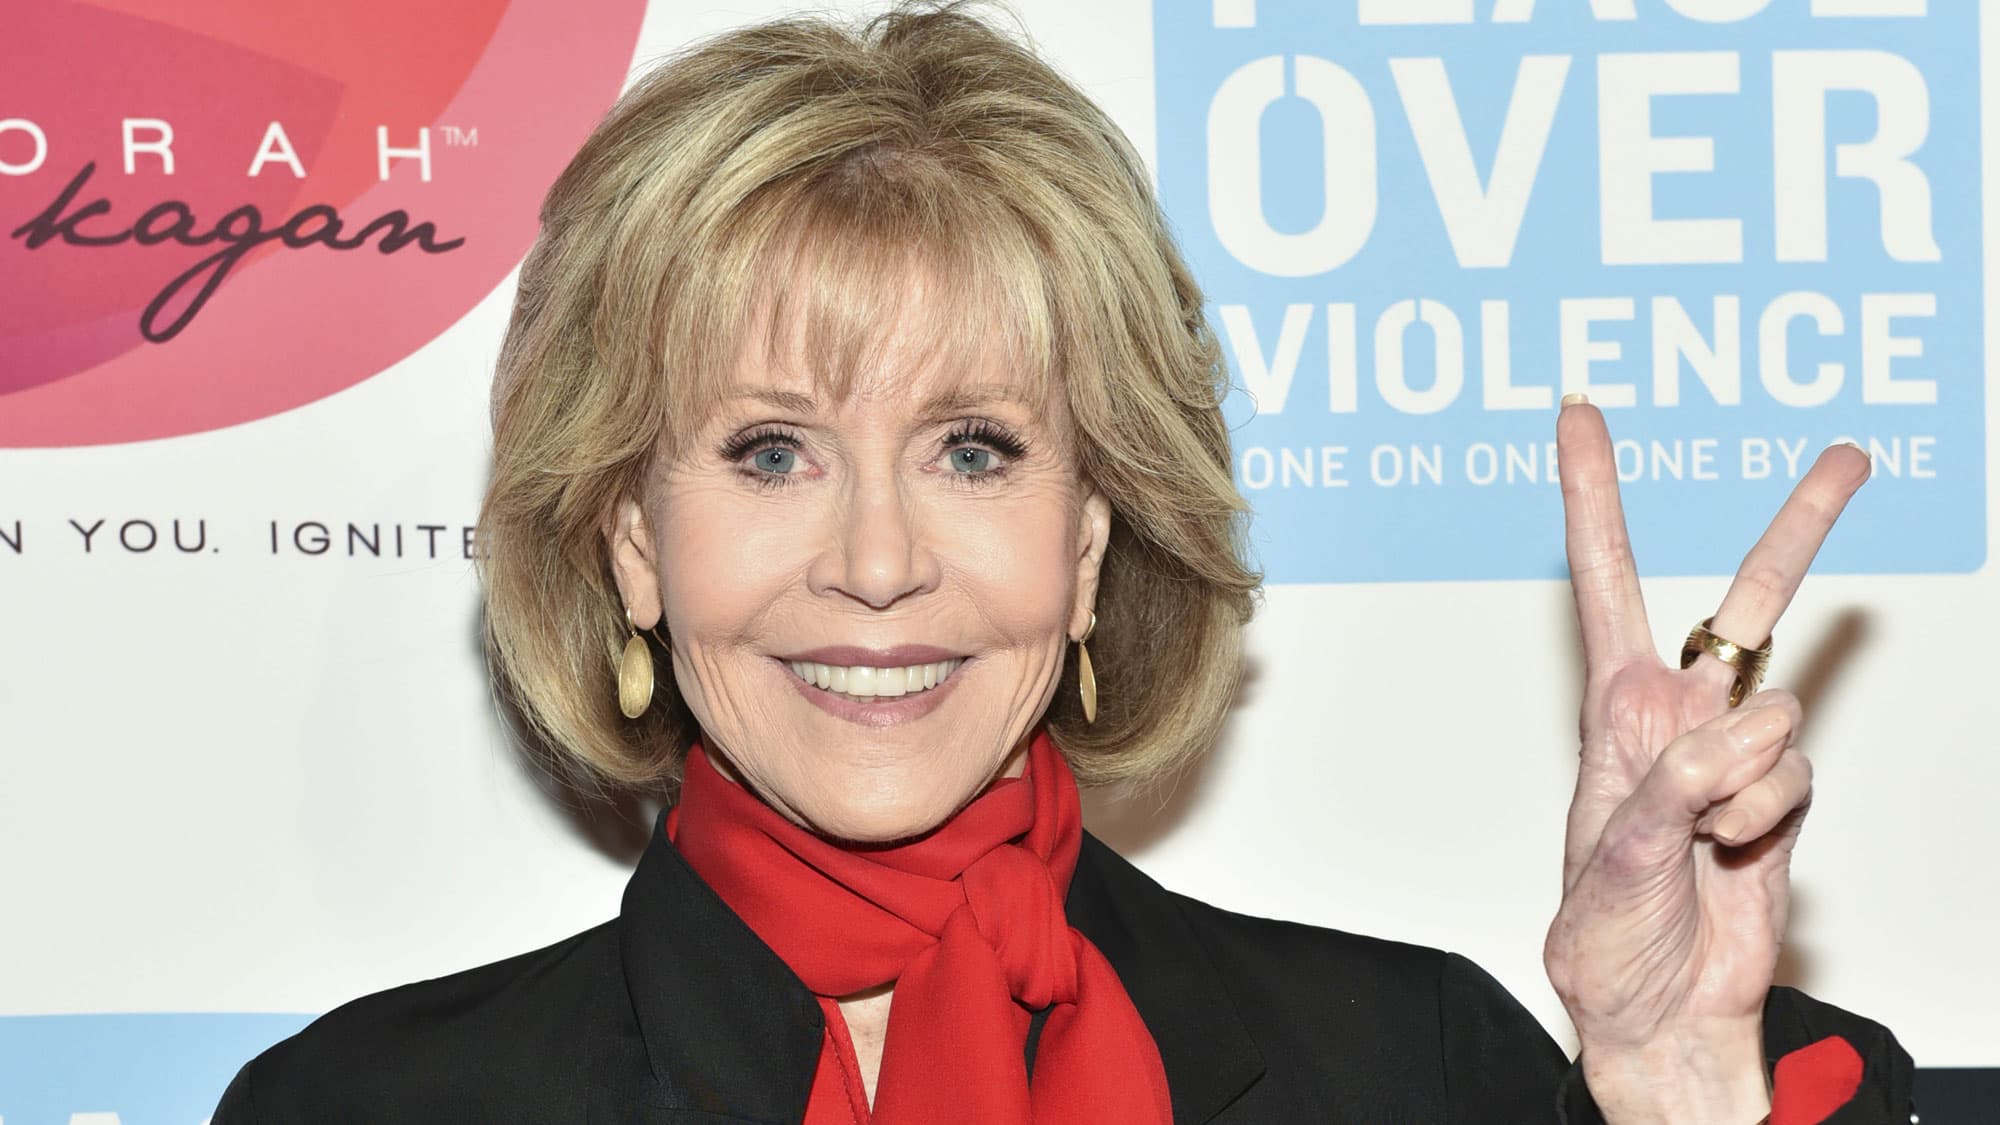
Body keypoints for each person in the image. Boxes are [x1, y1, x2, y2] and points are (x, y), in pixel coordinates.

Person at [211, 2, 1913, 1121]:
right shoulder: (362, 1110)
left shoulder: (1411, 1069)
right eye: (772, 450)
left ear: (1090, 541)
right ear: (632, 542)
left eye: (973, 448)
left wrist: (1680, 1087)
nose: (879, 561)